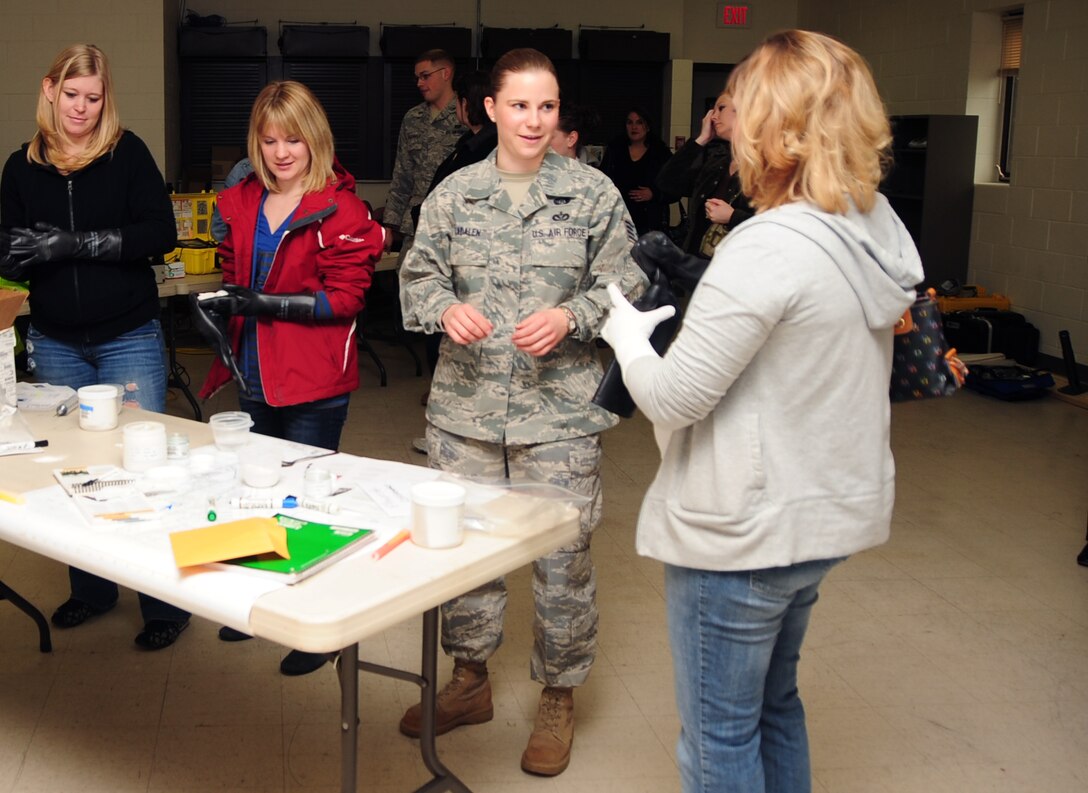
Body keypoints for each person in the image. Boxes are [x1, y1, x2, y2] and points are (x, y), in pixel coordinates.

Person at [601, 30, 923, 793]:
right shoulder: (874, 227)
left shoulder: (768, 245)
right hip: (820, 519)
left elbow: (675, 395)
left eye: (740, 108)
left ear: (778, 127)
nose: (729, 124)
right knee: (775, 705)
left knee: (718, 736)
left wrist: (627, 341)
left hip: (744, 538)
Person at [398, 48, 647, 776]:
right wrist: (444, 308)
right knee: (465, 550)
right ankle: (470, 681)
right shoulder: (454, 194)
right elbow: (416, 279)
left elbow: (626, 281)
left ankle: (558, 695)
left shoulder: (593, 193)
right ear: (490, 111)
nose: (534, 120)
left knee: (562, 560)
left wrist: (574, 315)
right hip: (466, 411)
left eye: (547, 106)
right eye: (520, 105)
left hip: (559, 414)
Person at [0, 44, 190, 650]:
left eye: (94, 96)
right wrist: (13, 255)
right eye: (71, 94)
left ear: (105, 97)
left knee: (138, 466)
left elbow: (160, 235)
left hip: (127, 337)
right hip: (55, 342)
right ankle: (93, 590)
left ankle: (164, 601)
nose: (81, 108)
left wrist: (75, 244)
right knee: (76, 471)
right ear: (50, 89)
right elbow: (7, 248)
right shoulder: (20, 167)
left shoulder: (126, 153)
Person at [196, 80, 383, 676]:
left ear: (315, 140)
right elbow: (235, 275)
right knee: (257, 491)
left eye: (293, 140)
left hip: (314, 379)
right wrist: (223, 306)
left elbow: (347, 300)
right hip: (253, 371)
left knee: (310, 506)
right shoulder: (244, 200)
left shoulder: (340, 206)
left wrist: (264, 303)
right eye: (269, 140)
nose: (281, 153)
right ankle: (264, 606)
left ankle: (318, 631)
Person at [411, 69, 497, 430]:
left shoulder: (490, 148)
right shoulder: (469, 143)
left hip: (470, 263)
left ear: (469, 103)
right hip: (446, 258)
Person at [381, 49, 466, 258]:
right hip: (417, 225)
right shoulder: (413, 118)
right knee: (407, 283)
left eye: (425, 76)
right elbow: (402, 174)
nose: (419, 83)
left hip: (457, 224)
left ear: (446, 73)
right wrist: (389, 225)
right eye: (418, 77)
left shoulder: (466, 114)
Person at [656, 91, 754, 261]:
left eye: (720, 108)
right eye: (711, 110)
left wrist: (732, 217)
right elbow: (667, 183)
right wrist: (701, 139)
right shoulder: (716, 163)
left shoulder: (767, 170)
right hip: (697, 266)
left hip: (739, 269)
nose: (712, 117)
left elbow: (780, 228)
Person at [599, 107, 672, 236]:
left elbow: (675, 188)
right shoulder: (615, 149)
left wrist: (654, 194)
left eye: (639, 122)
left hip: (649, 220)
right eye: (630, 122)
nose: (634, 127)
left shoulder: (660, 152)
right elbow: (603, 180)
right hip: (619, 217)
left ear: (647, 126)